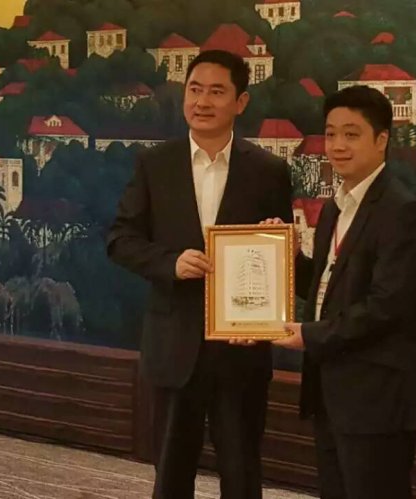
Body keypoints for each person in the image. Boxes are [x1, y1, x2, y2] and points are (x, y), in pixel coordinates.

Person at [107, 49, 293, 499]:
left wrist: (276, 241)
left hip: (242, 352)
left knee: (242, 475)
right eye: (194, 89)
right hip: (174, 346)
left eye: (216, 91)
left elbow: (280, 258)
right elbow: (121, 239)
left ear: (241, 101)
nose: (202, 101)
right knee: (171, 476)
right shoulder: (155, 165)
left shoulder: (268, 171)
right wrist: (169, 263)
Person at [272, 85, 416, 499]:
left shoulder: (401, 210)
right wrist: (286, 257)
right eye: (330, 134)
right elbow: (327, 287)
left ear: (382, 140)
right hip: (331, 391)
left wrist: (309, 335)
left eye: (351, 134)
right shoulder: (334, 207)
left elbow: (387, 307)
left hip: (376, 398)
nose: (337, 145)